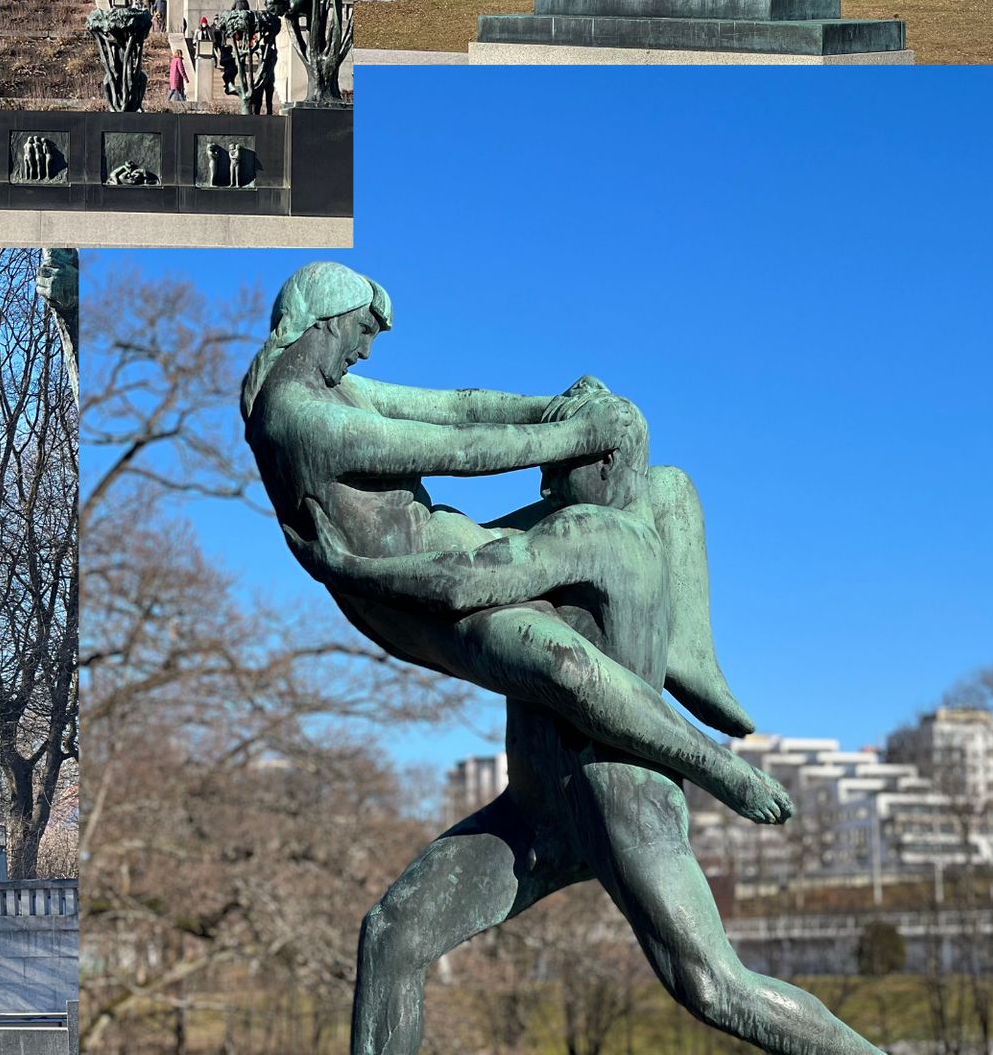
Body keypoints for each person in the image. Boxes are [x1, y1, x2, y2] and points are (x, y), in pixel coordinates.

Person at [242, 263, 782, 820]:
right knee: (566, 667)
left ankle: (687, 656)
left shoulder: (339, 392)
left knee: (665, 490)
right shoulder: (297, 418)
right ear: (329, 321)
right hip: (427, 598)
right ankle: (715, 766)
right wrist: (575, 434)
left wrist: (554, 405)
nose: (366, 351)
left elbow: (459, 407)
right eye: (364, 332)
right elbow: (453, 450)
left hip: (468, 550)